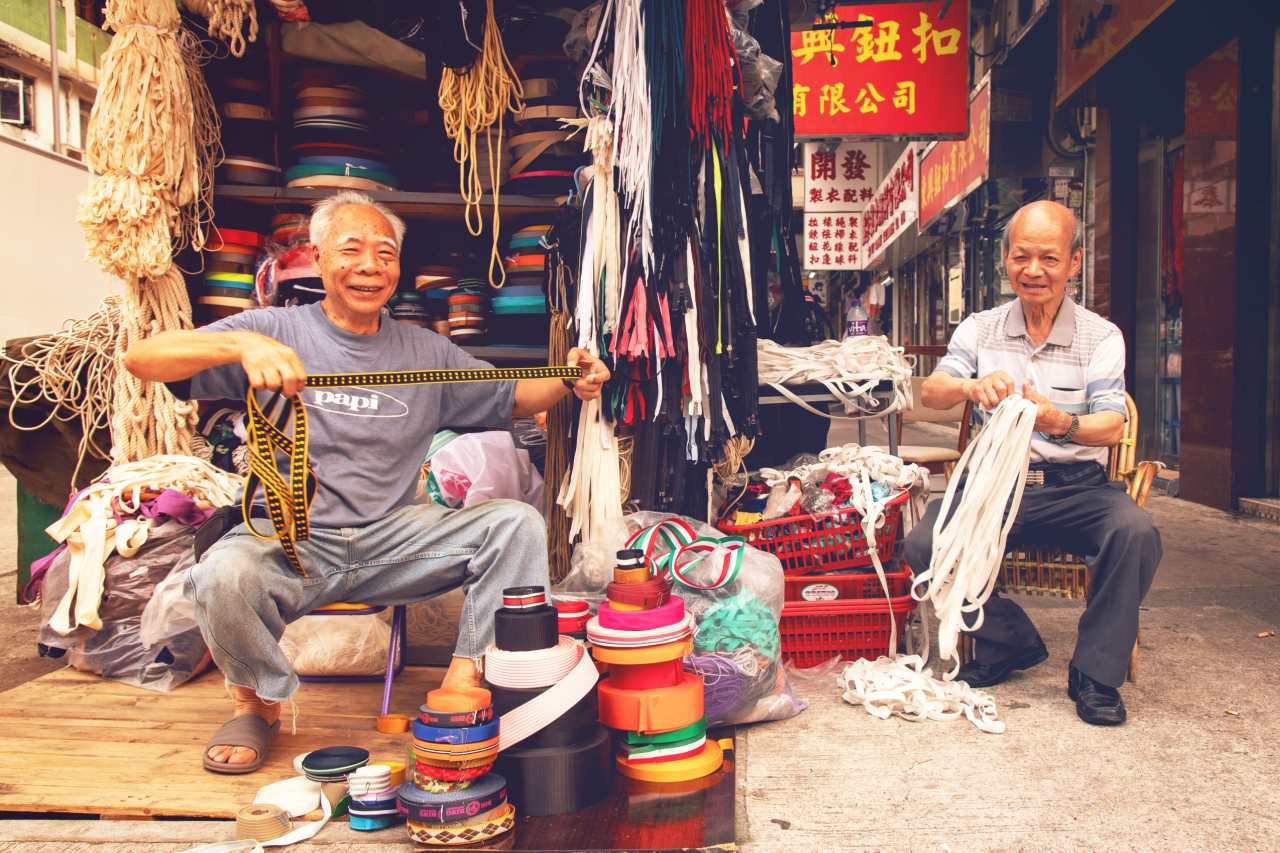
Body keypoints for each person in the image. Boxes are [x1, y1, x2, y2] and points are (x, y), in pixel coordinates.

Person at [124, 191, 610, 771]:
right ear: (321, 258)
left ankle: (466, 674)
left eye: (385, 252)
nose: (370, 265)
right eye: (351, 249)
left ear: (397, 269)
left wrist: (571, 380)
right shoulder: (272, 328)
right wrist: (240, 343)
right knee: (220, 575)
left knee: (514, 523)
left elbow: (514, 393)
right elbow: (142, 359)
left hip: (393, 538)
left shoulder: (425, 351)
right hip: (291, 540)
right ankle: (257, 702)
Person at [903, 200, 1162, 726]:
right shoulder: (981, 328)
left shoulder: (1101, 336)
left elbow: (1112, 424)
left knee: (1135, 532)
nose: (1034, 270)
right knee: (925, 542)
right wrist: (972, 386)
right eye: (1022, 257)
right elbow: (932, 391)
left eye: (1049, 257)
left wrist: (1056, 421)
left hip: (1078, 487)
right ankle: (1009, 642)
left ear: (1074, 262)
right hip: (997, 487)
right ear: (1005, 260)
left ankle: (1095, 674)